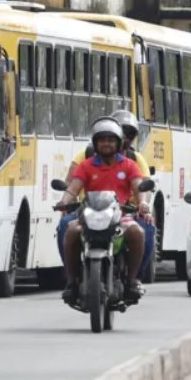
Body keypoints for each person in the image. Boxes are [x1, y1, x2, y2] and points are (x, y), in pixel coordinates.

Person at [58, 117, 152, 309]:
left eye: (110, 140)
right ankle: (71, 280)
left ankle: (133, 280)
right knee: (70, 231)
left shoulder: (129, 165)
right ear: (95, 143)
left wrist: (142, 203)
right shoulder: (86, 165)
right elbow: (73, 189)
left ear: (118, 143)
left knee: (138, 233)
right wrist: (63, 201)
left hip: (120, 216)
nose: (106, 144)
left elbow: (139, 188)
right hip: (88, 214)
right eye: (102, 140)